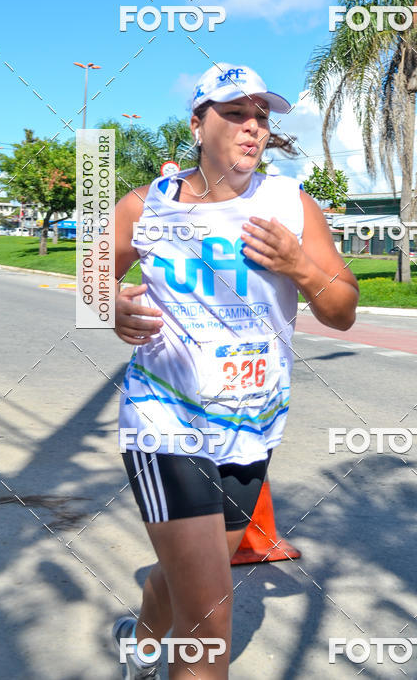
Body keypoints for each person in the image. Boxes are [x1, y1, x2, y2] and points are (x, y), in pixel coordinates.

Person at [111, 63, 359, 679]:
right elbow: (92, 282)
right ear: (198, 124)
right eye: (236, 114)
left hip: (251, 429)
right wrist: (108, 308)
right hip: (165, 420)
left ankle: (138, 643)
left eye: (262, 118)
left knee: (189, 578)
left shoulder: (290, 204)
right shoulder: (147, 205)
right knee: (210, 623)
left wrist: (300, 265)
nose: (253, 129)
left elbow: (343, 310)